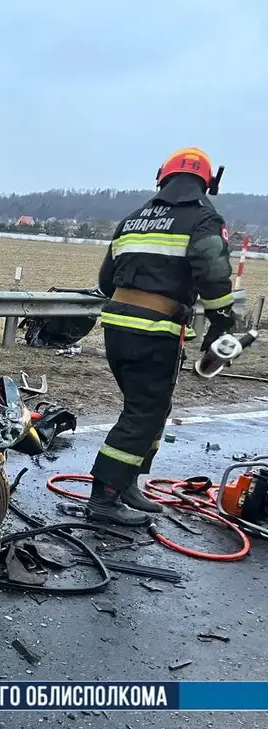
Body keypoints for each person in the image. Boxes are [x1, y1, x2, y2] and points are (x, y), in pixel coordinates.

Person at [88, 147, 236, 525]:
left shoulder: (133, 219)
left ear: (163, 177)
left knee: (151, 407)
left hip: (118, 328)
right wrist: (220, 320)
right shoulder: (204, 219)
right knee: (144, 412)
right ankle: (104, 497)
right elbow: (214, 274)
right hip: (155, 331)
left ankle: (127, 483)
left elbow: (107, 281)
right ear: (207, 182)